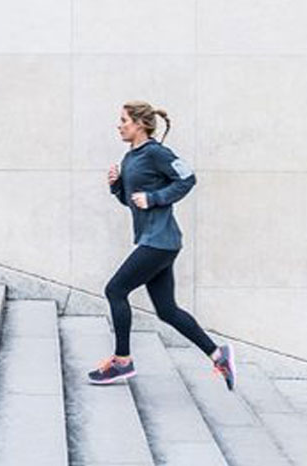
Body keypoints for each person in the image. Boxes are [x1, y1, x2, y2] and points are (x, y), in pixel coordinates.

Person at [87, 101, 236, 390]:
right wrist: (117, 186)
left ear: (140, 124)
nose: (119, 126)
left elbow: (188, 177)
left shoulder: (156, 152)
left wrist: (155, 198)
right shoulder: (131, 157)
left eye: (124, 120)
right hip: (155, 241)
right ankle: (219, 355)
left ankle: (122, 361)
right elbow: (132, 201)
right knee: (167, 310)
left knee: (115, 290)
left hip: (160, 241)